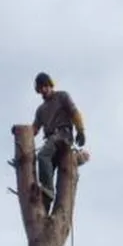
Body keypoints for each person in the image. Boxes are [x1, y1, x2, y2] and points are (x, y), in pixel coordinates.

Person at [33, 72, 85, 205]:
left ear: (50, 85)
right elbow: (34, 129)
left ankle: (48, 190)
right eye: (40, 88)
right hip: (52, 141)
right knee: (47, 168)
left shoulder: (62, 96)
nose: (44, 90)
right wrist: (21, 135)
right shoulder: (41, 110)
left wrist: (80, 130)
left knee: (43, 156)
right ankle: (46, 203)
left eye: (45, 86)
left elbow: (74, 112)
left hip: (63, 136)